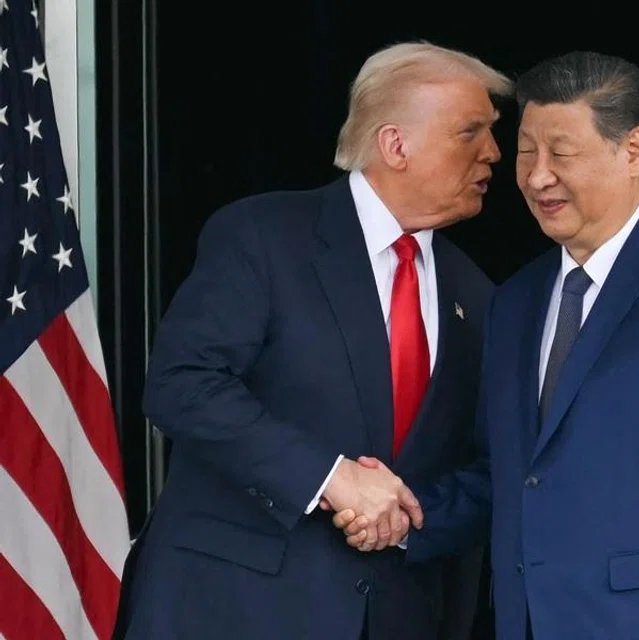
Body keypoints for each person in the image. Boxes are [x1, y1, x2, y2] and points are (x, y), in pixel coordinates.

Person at [333, 51, 639, 639]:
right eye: (527, 151)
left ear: (633, 152)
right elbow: (506, 474)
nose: (536, 175)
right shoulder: (515, 300)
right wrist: (402, 522)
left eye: (562, 153)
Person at [112, 41, 511, 640]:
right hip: (233, 610)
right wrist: (331, 477)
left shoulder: (479, 296)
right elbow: (180, 384)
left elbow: (487, 466)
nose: (495, 153)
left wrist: (404, 525)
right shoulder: (263, 236)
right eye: (470, 131)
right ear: (395, 144)